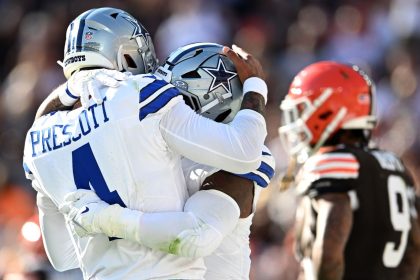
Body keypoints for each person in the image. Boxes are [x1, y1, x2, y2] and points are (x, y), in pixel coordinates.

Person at [23, 8, 268, 280]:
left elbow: (64, 256)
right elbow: (246, 152)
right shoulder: (141, 102)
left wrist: (106, 219)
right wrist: (256, 87)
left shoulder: (39, 137)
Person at [278, 61, 420, 280]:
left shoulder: (333, 162)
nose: (297, 122)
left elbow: (329, 255)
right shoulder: (396, 166)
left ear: (328, 110)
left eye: (302, 110)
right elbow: (413, 252)